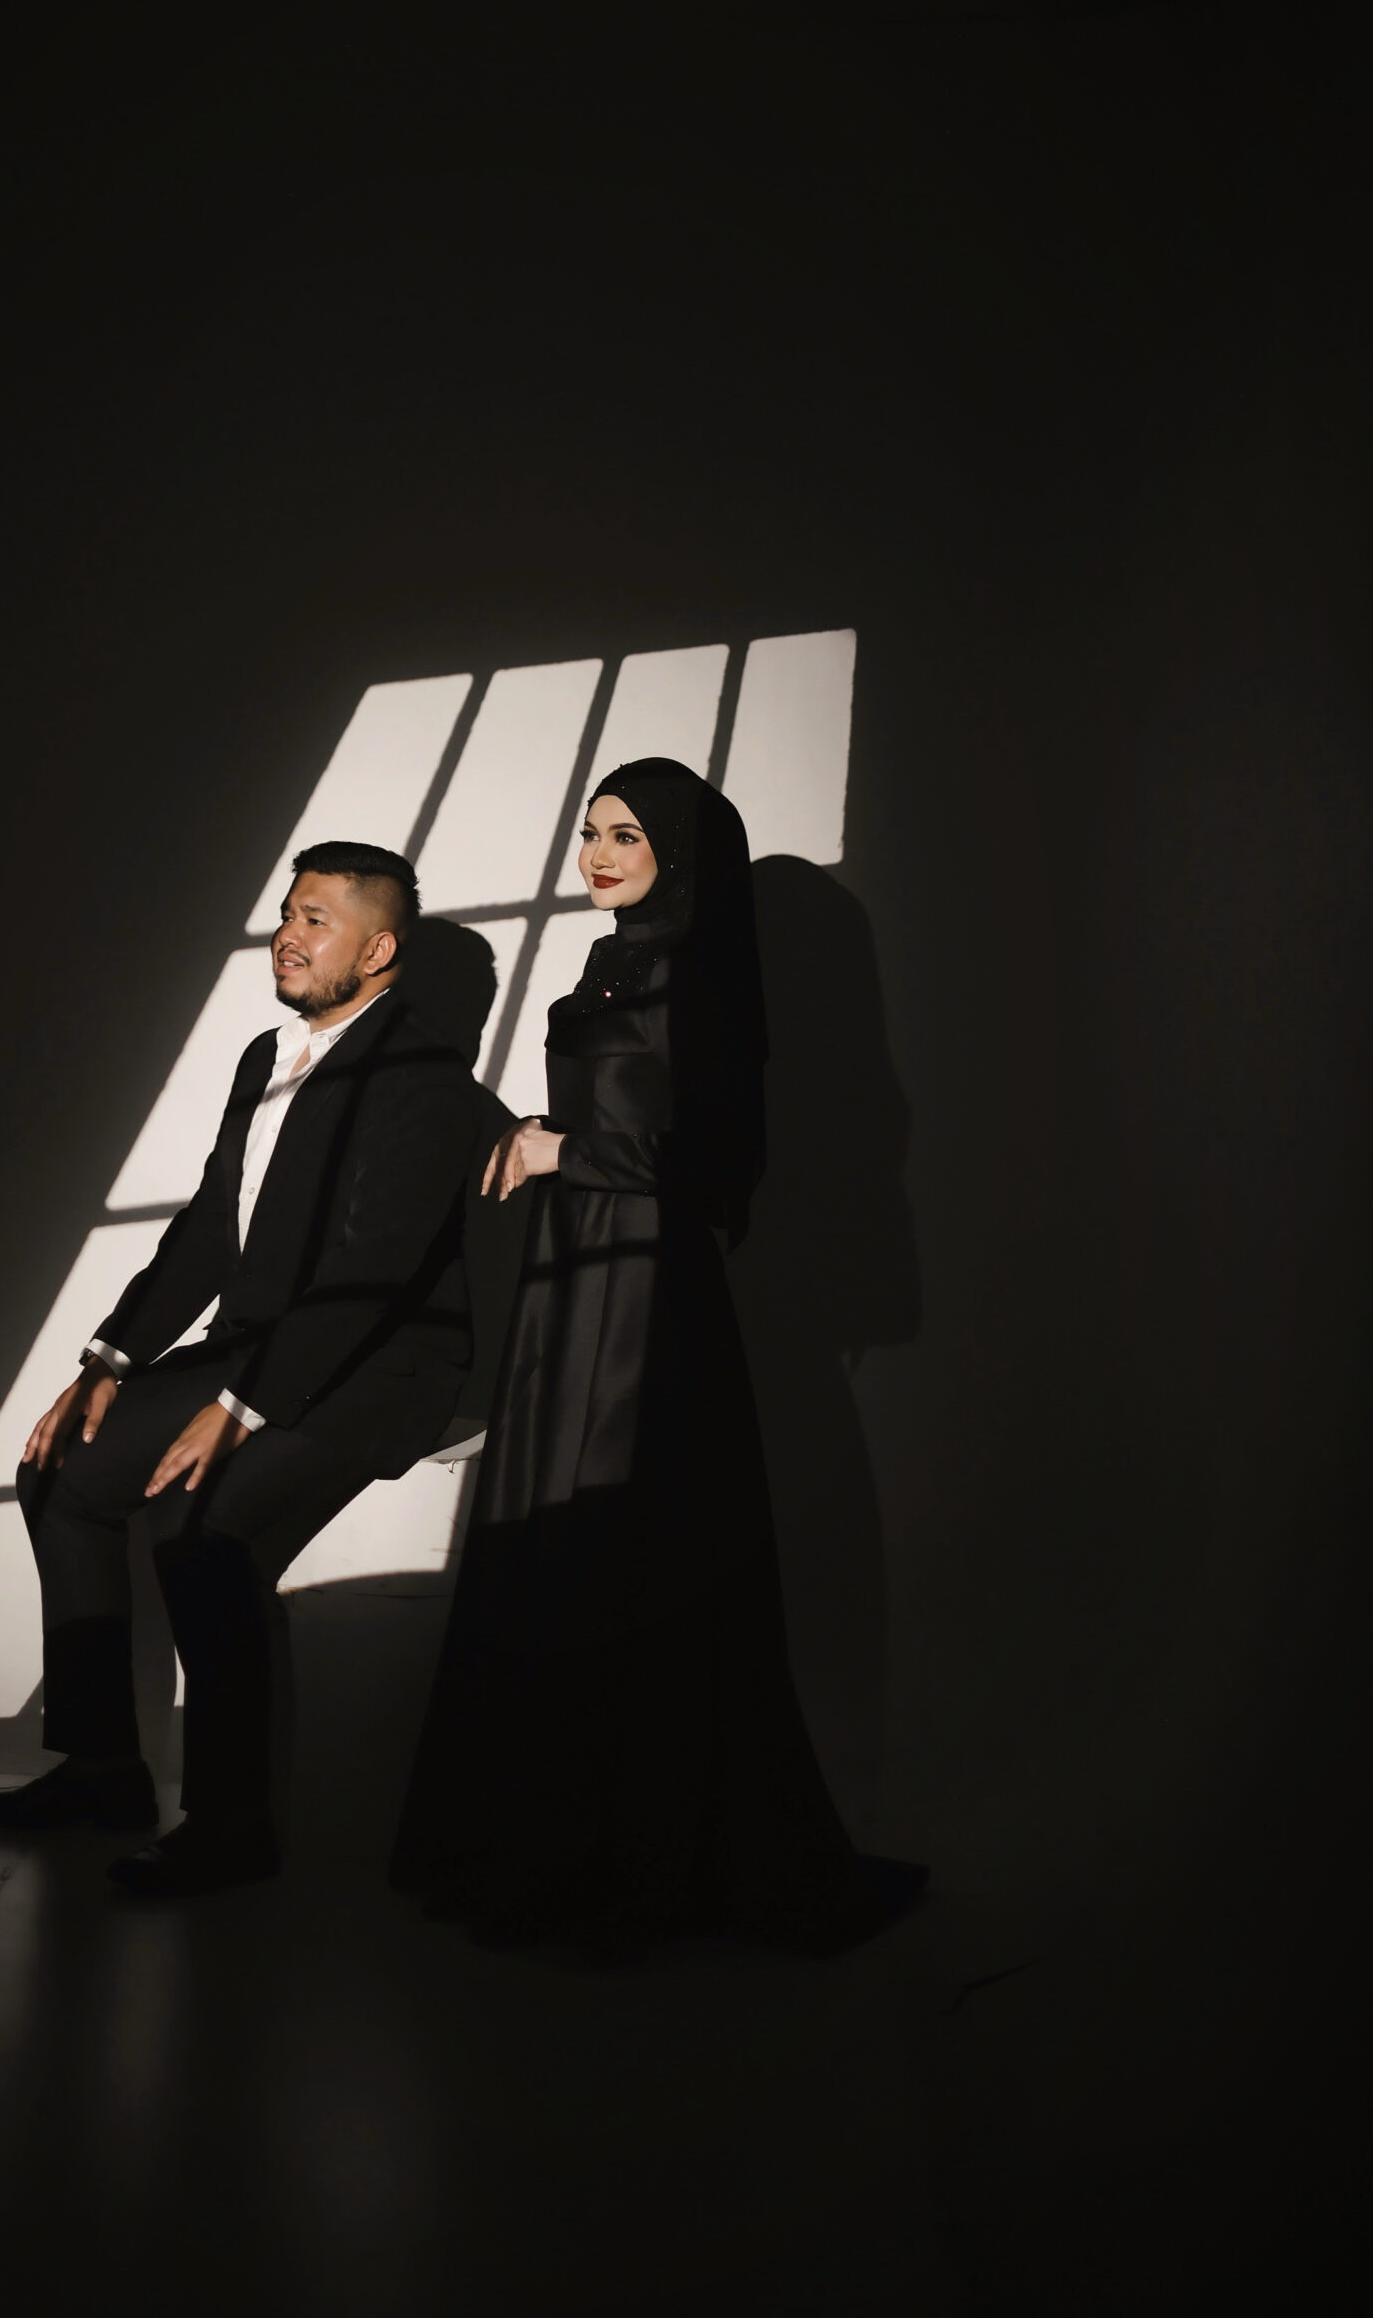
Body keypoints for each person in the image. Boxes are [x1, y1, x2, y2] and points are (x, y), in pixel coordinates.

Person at [390, 758, 924, 1952]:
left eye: (624, 834)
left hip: (647, 1297)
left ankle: (637, 1865)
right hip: (568, 1284)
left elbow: (719, 1164)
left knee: (628, 1557)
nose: (595, 853)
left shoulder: (707, 976)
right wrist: (550, 1145)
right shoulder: (605, 961)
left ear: (677, 850)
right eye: (589, 830)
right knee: (556, 1549)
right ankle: (541, 1848)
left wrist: (560, 1150)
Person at [0, 841, 483, 1895]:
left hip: (379, 1367)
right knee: (62, 1472)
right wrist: (108, 1360)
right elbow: (210, 1228)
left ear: (377, 951)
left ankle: (233, 1824)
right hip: (263, 1347)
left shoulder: (424, 1079)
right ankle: (102, 1769)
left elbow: (372, 1275)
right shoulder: (265, 1056)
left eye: (317, 920)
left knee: (200, 1530)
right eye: (288, 912)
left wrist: (239, 1407)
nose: (288, 935)